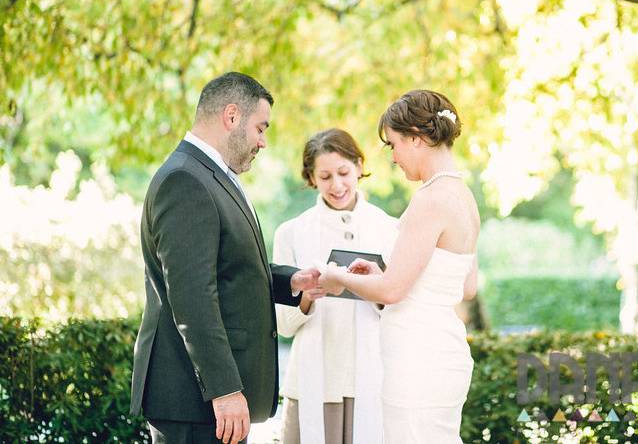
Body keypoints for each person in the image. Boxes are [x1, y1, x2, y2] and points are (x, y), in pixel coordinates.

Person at [130, 72, 322, 444]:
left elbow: (223, 268)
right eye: (260, 128)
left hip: (205, 402)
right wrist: (224, 389)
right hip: (195, 399)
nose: (263, 142)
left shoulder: (210, 175)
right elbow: (192, 297)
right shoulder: (185, 181)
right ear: (231, 116)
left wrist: (289, 281)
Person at [319, 90, 479, 443]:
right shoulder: (464, 197)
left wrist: (337, 276)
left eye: (393, 145)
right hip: (444, 353)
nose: (393, 157)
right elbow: (465, 287)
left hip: (418, 362)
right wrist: (381, 276)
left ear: (417, 139)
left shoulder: (430, 199)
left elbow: (393, 291)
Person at [274, 128, 397, 444]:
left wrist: (376, 289)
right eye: (325, 176)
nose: (337, 185)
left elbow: (400, 308)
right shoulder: (291, 233)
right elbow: (284, 326)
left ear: (359, 166)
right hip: (313, 383)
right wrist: (306, 297)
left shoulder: (389, 229)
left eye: (344, 172)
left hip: (371, 382)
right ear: (311, 178)